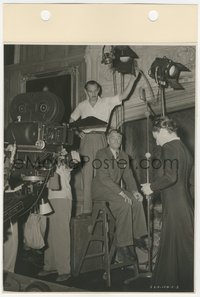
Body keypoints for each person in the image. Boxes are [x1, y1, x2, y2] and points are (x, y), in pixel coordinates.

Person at [70, 75, 139, 217]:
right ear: (86, 91)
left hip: (102, 138)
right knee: (87, 174)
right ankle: (88, 210)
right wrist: (78, 133)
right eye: (90, 91)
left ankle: (107, 208)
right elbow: (70, 121)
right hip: (87, 140)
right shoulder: (82, 105)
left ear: (99, 90)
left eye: (95, 90)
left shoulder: (107, 102)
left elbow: (124, 95)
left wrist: (133, 79)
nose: (93, 93)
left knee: (104, 173)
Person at [141, 117, 194, 292]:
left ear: (163, 132)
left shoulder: (170, 147)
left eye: (156, 136)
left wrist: (151, 187)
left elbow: (171, 177)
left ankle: (173, 287)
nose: (156, 141)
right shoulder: (183, 148)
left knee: (179, 246)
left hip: (175, 204)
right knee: (182, 246)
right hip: (183, 202)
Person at [91, 129, 147, 264]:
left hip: (114, 189)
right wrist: (122, 193)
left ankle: (137, 235)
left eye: (119, 138)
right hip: (101, 189)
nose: (116, 140)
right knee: (124, 203)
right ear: (108, 140)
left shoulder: (124, 156)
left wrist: (135, 191)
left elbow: (128, 176)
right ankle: (123, 246)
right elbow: (103, 179)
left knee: (137, 201)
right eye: (113, 138)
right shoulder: (101, 153)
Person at [38, 149, 80, 282]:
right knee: (49, 232)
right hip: (47, 196)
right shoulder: (48, 152)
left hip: (62, 197)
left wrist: (62, 155)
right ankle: (50, 266)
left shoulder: (72, 153)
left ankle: (64, 270)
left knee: (61, 233)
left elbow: (73, 164)